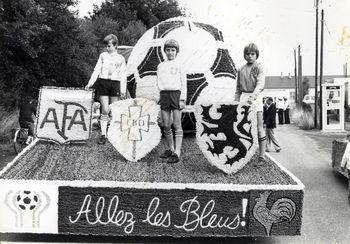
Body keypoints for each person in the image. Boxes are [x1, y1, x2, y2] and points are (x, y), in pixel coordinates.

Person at [85, 34, 127, 144]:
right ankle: (103, 135)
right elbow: (96, 70)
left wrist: (123, 90)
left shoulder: (121, 58)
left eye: (109, 46)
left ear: (115, 45)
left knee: (113, 110)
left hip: (115, 84)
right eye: (106, 46)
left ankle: (112, 134)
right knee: (105, 109)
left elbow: (123, 75)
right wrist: (90, 84)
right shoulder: (103, 56)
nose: (107, 48)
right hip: (103, 83)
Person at [235, 43, 266, 161]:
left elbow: (260, 84)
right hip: (244, 98)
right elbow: (238, 88)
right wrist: (236, 101)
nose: (250, 56)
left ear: (256, 55)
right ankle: (245, 153)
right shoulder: (241, 70)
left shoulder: (259, 68)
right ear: (244, 55)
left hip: (256, 97)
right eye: (247, 54)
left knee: (259, 127)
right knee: (243, 127)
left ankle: (262, 155)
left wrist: (253, 96)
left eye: (252, 54)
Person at [157, 39, 187, 164]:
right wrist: (158, 97)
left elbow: (183, 83)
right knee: (166, 124)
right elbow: (158, 83)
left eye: (173, 50)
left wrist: (182, 99)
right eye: (168, 50)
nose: (170, 52)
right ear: (164, 51)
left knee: (176, 124)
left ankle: (177, 152)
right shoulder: (160, 66)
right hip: (164, 95)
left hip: (176, 95)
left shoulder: (179, 65)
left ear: (176, 52)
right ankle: (171, 149)